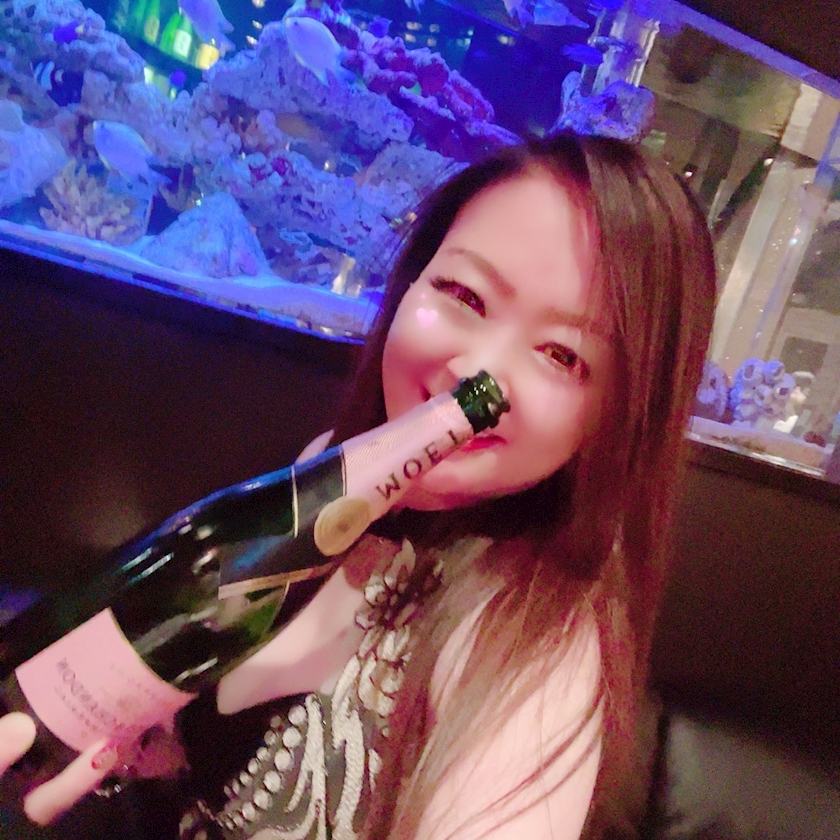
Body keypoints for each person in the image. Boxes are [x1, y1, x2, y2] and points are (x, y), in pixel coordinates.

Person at [0, 130, 717, 839]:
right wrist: (159, 756)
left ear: (621, 413)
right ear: (407, 285)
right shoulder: (333, 472)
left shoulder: (533, 651)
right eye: (464, 293)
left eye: (562, 354)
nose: (480, 374)